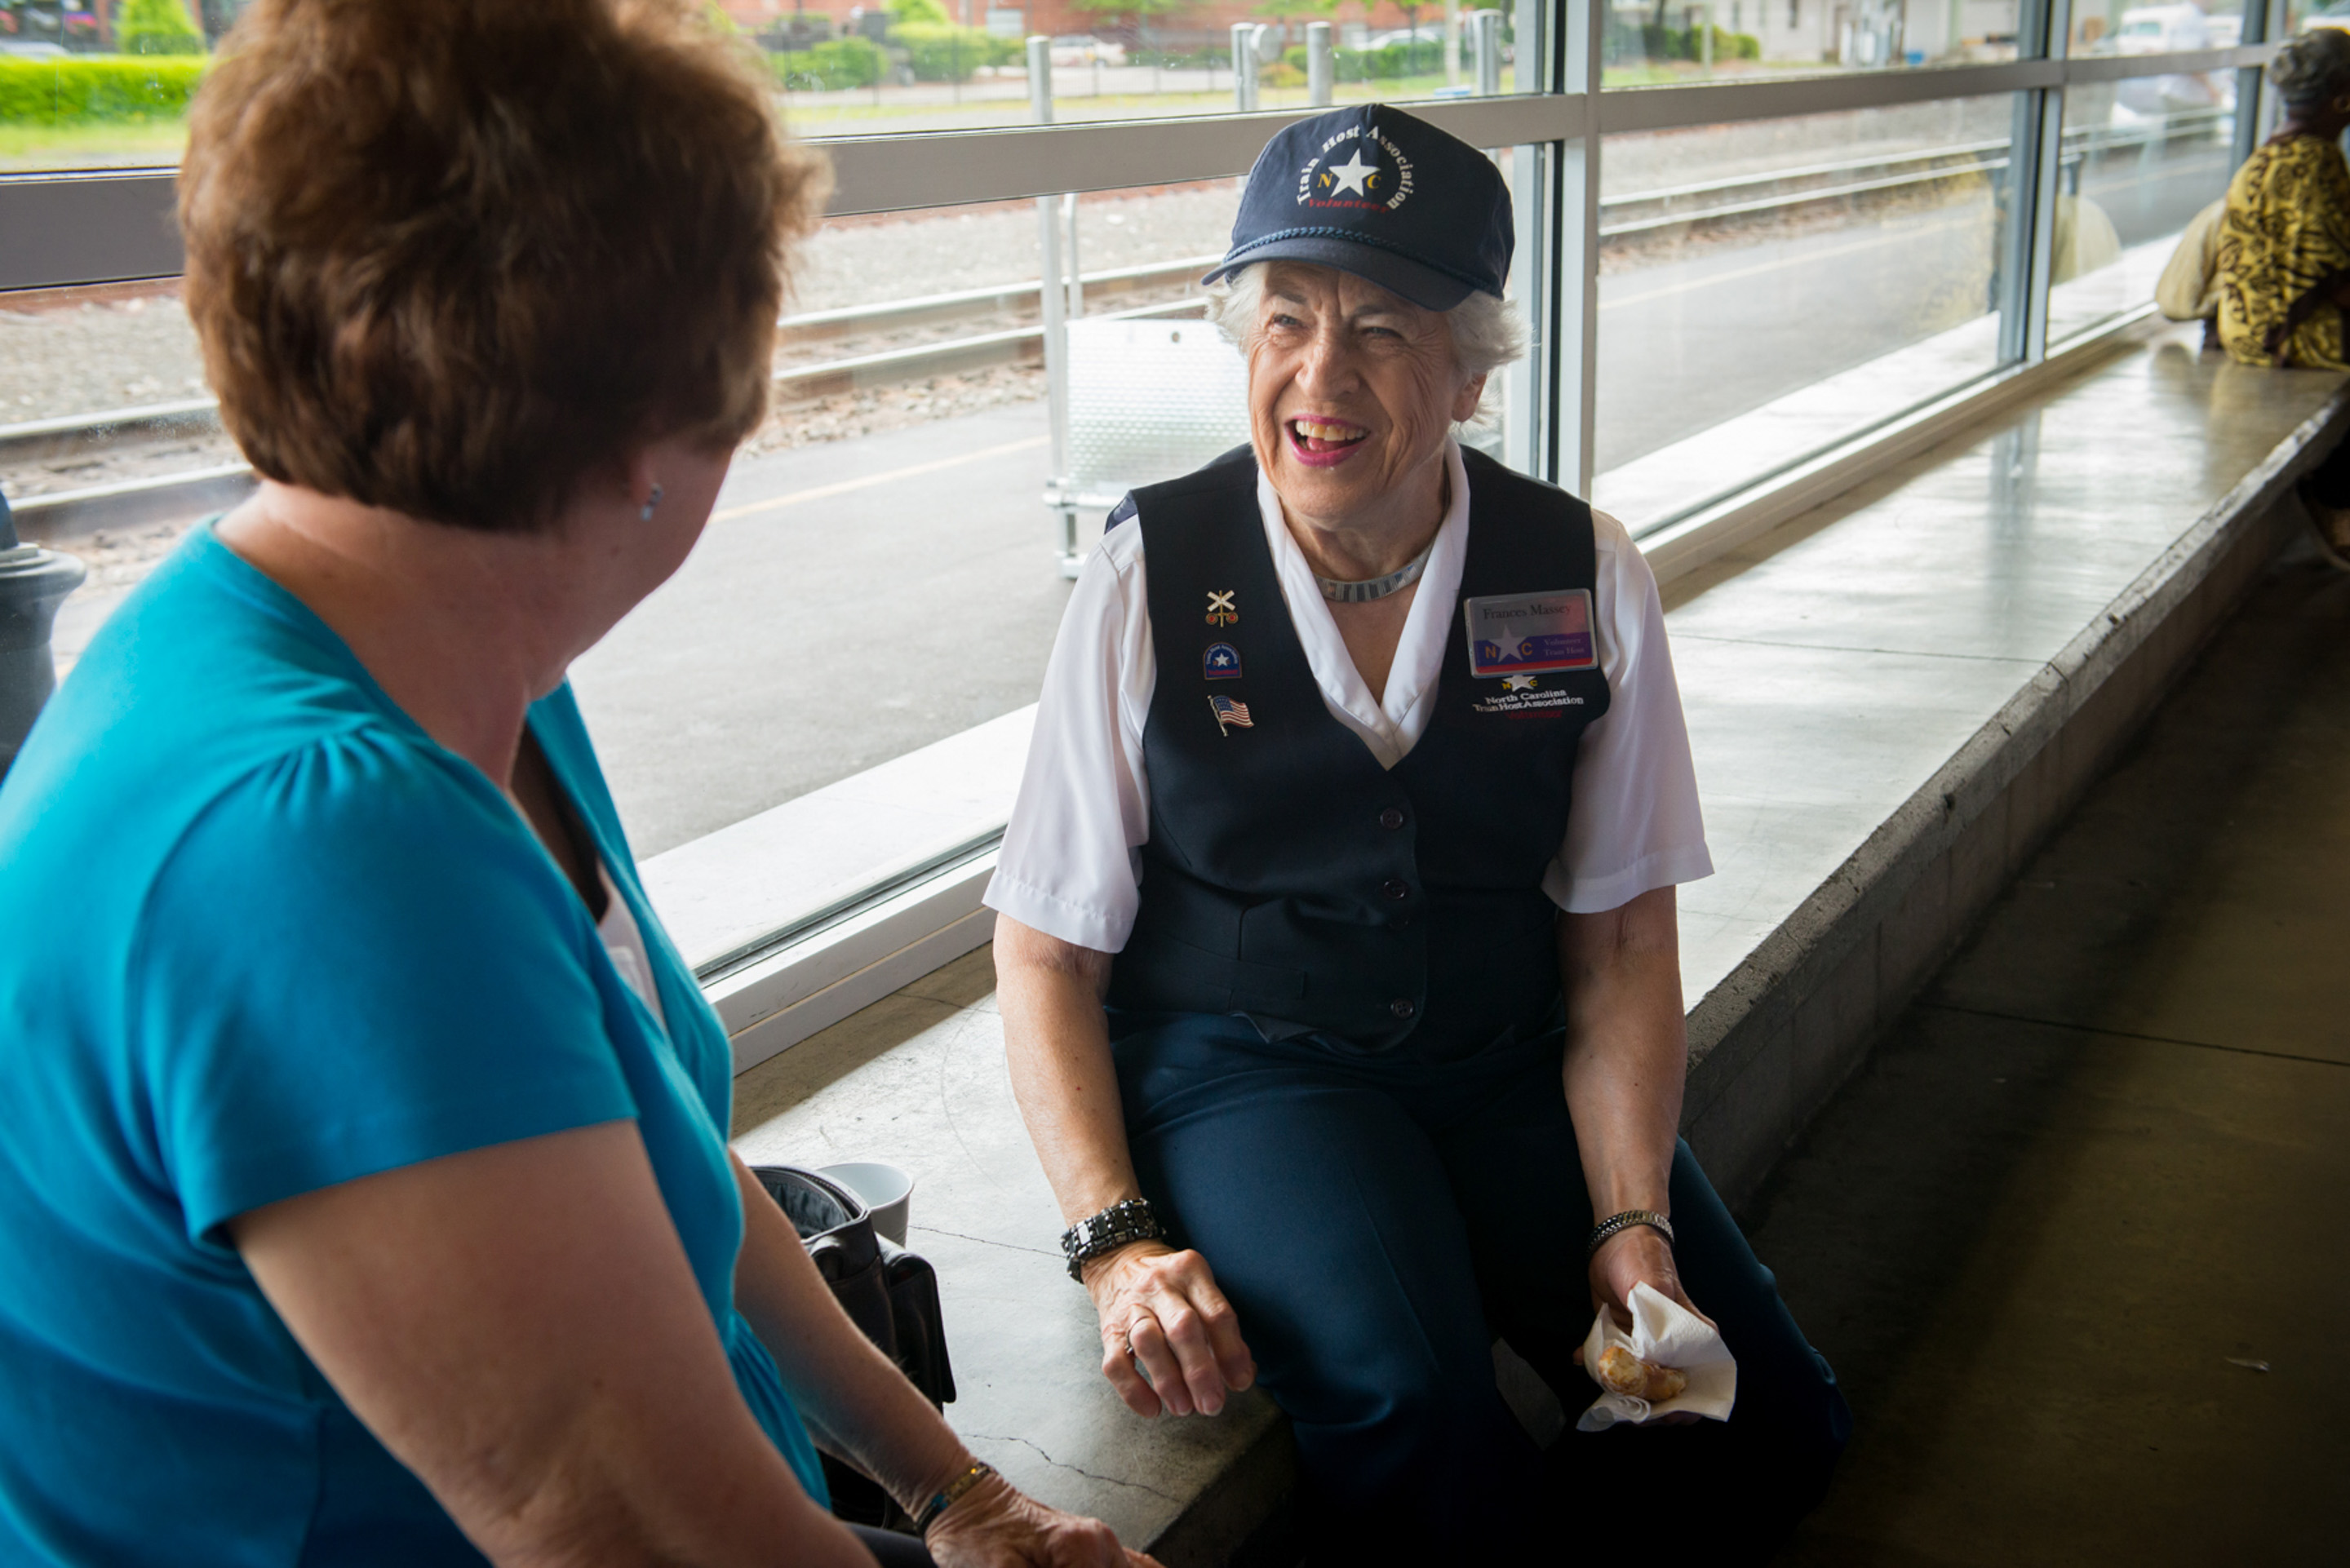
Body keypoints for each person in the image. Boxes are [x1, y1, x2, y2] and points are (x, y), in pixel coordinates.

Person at [0, 4, 1151, 1566]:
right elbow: (631, 1533)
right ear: (640, 436)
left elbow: (659, 1144)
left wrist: (964, 1492)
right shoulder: (327, 847)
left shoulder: (448, 660)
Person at [986, 104, 1851, 1561]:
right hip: (1250, 1070)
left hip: (1510, 1059)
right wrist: (1115, 1239)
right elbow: (1047, 952)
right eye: (1285, 321)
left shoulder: (1580, 569)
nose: (1319, 378)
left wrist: (1629, 1219)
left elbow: (1625, 932)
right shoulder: (1151, 570)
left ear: (1467, 371)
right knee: (1411, 1396)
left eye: (1380, 329)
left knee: (1753, 1416)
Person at [2214, 27, 2350, 566]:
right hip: (2293, 336)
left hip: (2250, 328)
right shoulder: (2318, 162)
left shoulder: (2264, 157)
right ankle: (2333, 492)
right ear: (2340, 94)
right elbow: (2337, 283)